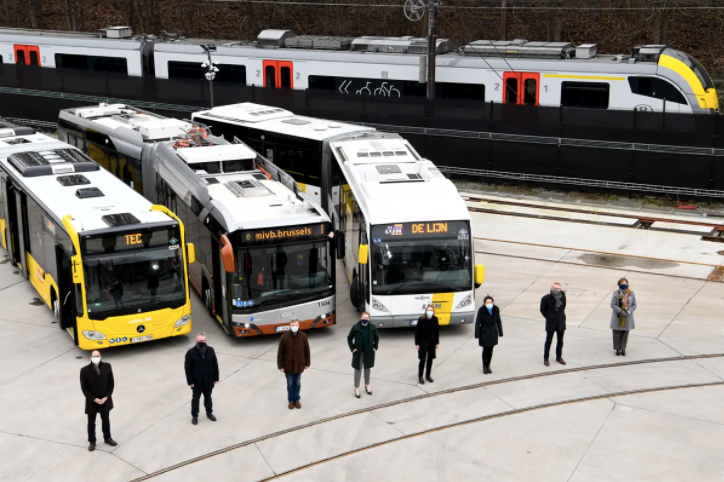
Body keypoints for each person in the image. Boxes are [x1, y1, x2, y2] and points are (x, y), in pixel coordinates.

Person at [79, 350, 117, 451]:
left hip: (105, 400)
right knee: (91, 422)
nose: (96, 358)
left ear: (100, 356)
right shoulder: (84, 370)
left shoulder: (107, 366)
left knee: (106, 420)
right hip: (92, 401)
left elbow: (111, 383)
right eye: (94, 356)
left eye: (98, 356)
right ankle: (92, 442)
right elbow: (84, 388)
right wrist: (94, 399)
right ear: (90, 358)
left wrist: (107, 396)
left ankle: (107, 438)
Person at [184, 332, 219, 425]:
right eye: (200, 341)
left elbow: (215, 364)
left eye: (203, 340)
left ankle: (209, 413)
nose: (202, 342)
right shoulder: (190, 353)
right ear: (196, 341)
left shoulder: (211, 350)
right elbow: (187, 369)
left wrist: (216, 378)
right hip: (196, 381)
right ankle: (194, 416)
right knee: (196, 398)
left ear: (206, 340)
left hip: (208, 379)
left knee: (208, 397)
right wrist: (190, 381)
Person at [277, 319, 311, 409]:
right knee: (290, 384)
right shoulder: (284, 337)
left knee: (298, 383)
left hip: (299, 365)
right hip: (288, 366)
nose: (294, 327)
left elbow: (307, 351)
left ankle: (297, 400)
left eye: (296, 325)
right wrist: (280, 365)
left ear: (298, 325)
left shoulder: (303, 336)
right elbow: (280, 353)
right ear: (290, 326)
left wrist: (307, 363)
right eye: (292, 325)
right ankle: (291, 400)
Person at [347, 311, 379, 398]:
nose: (365, 319)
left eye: (366, 318)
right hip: (359, 352)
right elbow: (349, 338)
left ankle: (367, 385)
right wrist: (353, 348)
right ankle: (356, 388)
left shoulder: (372, 327)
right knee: (358, 370)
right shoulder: (355, 327)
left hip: (368, 352)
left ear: (369, 319)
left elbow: (376, 338)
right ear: (361, 318)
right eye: (363, 318)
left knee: (367, 369)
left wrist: (375, 347)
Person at [474, 295, 504, 374]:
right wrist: (477, 334)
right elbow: (478, 322)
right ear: (484, 303)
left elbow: (498, 321)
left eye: (490, 302)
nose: (489, 303)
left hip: (493, 332)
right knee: (485, 350)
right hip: (484, 332)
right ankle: (484, 366)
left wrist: (500, 332)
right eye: (487, 302)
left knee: (491, 350)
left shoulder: (496, 309)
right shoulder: (481, 310)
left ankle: (488, 365)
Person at [540, 282, 567, 366]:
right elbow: (542, 310)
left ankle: (559, 357)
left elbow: (563, 308)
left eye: (558, 288)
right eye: (554, 288)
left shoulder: (563, 297)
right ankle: (546, 358)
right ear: (551, 288)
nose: (556, 290)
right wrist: (549, 317)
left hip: (560, 322)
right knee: (548, 341)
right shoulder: (546, 298)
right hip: (551, 322)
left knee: (560, 341)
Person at [610, 277, 637, 356]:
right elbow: (613, 304)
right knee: (617, 333)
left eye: (626, 283)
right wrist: (620, 310)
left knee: (625, 333)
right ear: (619, 285)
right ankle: (617, 348)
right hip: (618, 316)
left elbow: (634, 305)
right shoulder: (616, 293)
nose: (625, 285)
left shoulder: (631, 293)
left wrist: (628, 312)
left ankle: (623, 348)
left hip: (627, 317)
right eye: (623, 284)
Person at [415, 304, 440, 384]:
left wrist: (437, 342)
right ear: (426, 311)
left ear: (433, 311)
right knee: (422, 360)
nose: (429, 311)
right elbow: (417, 332)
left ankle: (428, 375)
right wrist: (417, 343)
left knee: (430, 359)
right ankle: (420, 376)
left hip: (431, 342)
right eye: (428, 310)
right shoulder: (421, 320)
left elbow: (437, 332)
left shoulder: (435, 319)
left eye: (431, 310)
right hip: (423, 342)